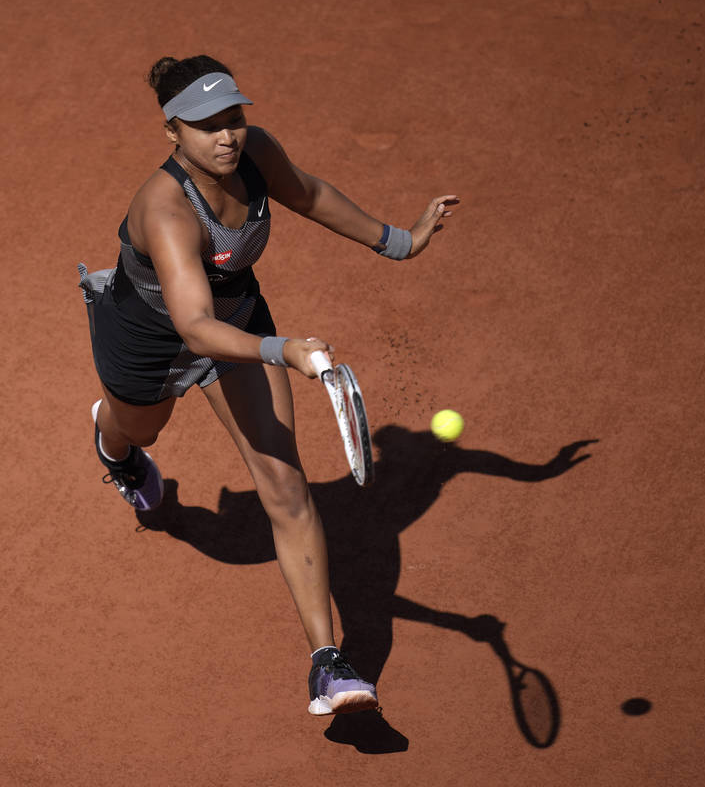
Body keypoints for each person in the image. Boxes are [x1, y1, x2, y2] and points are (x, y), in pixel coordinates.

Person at [78, 54, 457, 717]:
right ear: (172, 131)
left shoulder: (256, 155)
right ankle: (114, 447)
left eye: (233, 118)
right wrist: (285, 351)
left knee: (286, 486)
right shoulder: (166, 208)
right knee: (139, 428)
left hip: (236, 323)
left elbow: (308, 195)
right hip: (149, 341)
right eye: (206, 126)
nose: (226, 136)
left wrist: (398, 242)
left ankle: (328, 665)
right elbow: (193, 327)